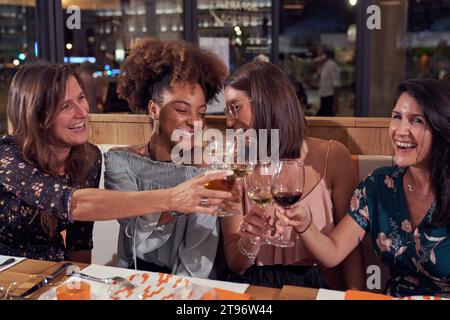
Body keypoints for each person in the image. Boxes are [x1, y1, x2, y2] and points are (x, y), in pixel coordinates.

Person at [0, 63, 232, 263]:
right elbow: (74, 205)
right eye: (65, 106)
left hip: (53, 275)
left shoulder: (88, 158)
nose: (81, 112)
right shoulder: (7, 157)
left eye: (81, 98)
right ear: (37, 116)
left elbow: (79, 240)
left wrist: (79, 285)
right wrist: (173, 199)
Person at [272, 78, 450, 297]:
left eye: (417, 120)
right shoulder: (379, 185)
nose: (401, 130)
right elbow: (333, 252)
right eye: (397, 117)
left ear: (440, 126)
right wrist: (305, 225)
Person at [220, 60, 365, 289]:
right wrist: (250, 239)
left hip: (316, 285)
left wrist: (357, 296)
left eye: (235, 107)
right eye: (226, 110)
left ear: (267, 104)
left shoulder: (333, 157)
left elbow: (353, 248)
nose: (228, 121)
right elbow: (235, 264)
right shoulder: (237, 163)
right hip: (252, 285)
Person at [104, 38, 230, 279]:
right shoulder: (121, 162)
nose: (195, 122)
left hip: (189, 287)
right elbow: (137, 238)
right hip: (135, 279)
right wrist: (177, 204)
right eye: (182, 110)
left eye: (201, 113)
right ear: (154, 110)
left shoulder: (206, 171)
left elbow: (197, 259)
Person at [316, 45, 341, 117]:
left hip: (329, 99)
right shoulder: (324, 65)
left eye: (320, 54)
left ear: (325, 54)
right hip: (323, 98)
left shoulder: (332, 65)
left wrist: (335, 103)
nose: (318, 57)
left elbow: (337, 85)